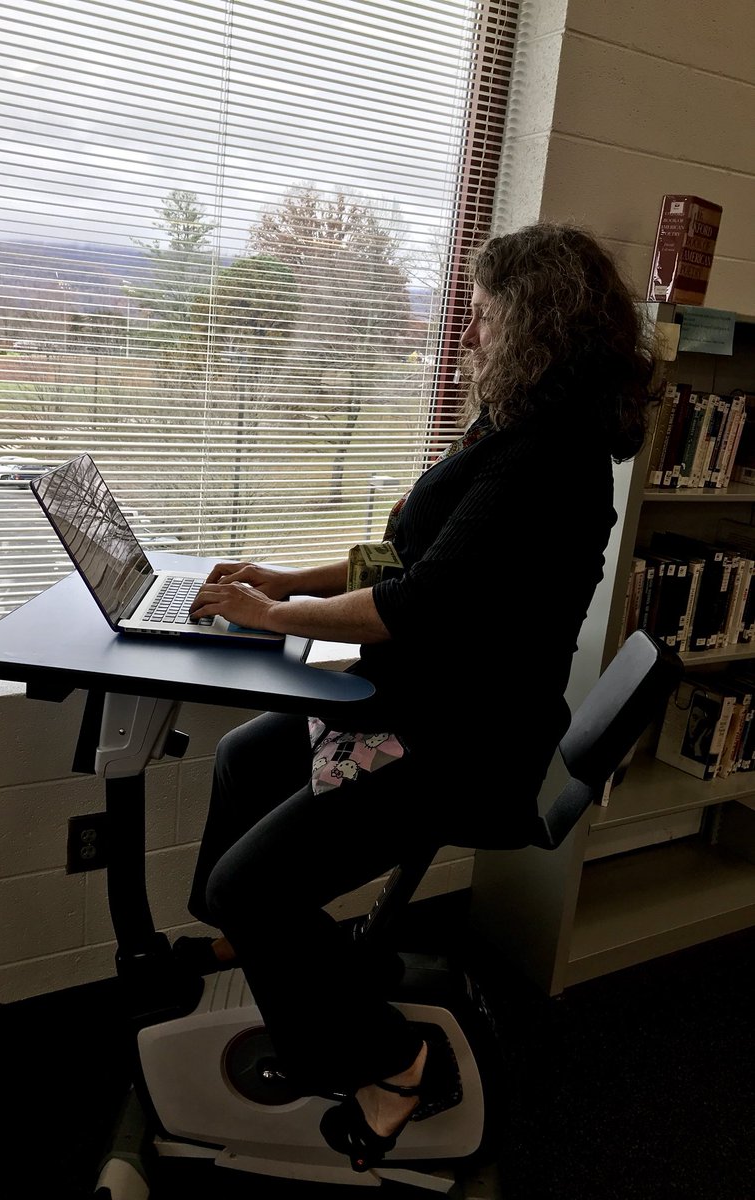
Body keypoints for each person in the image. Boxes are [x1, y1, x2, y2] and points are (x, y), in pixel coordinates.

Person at [178, 221, 657, 1171]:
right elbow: (403, 555)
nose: (467, 334)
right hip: (421, 707)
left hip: (463, 743)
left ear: (534, 327)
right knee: (245, 757)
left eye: (482, 317)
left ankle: (398, 1063)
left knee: (251, 882)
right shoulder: (505, 431)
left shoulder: (548, 462)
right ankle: (257, 947)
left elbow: (417, 603)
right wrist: (281, 579)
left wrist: (273, 617)